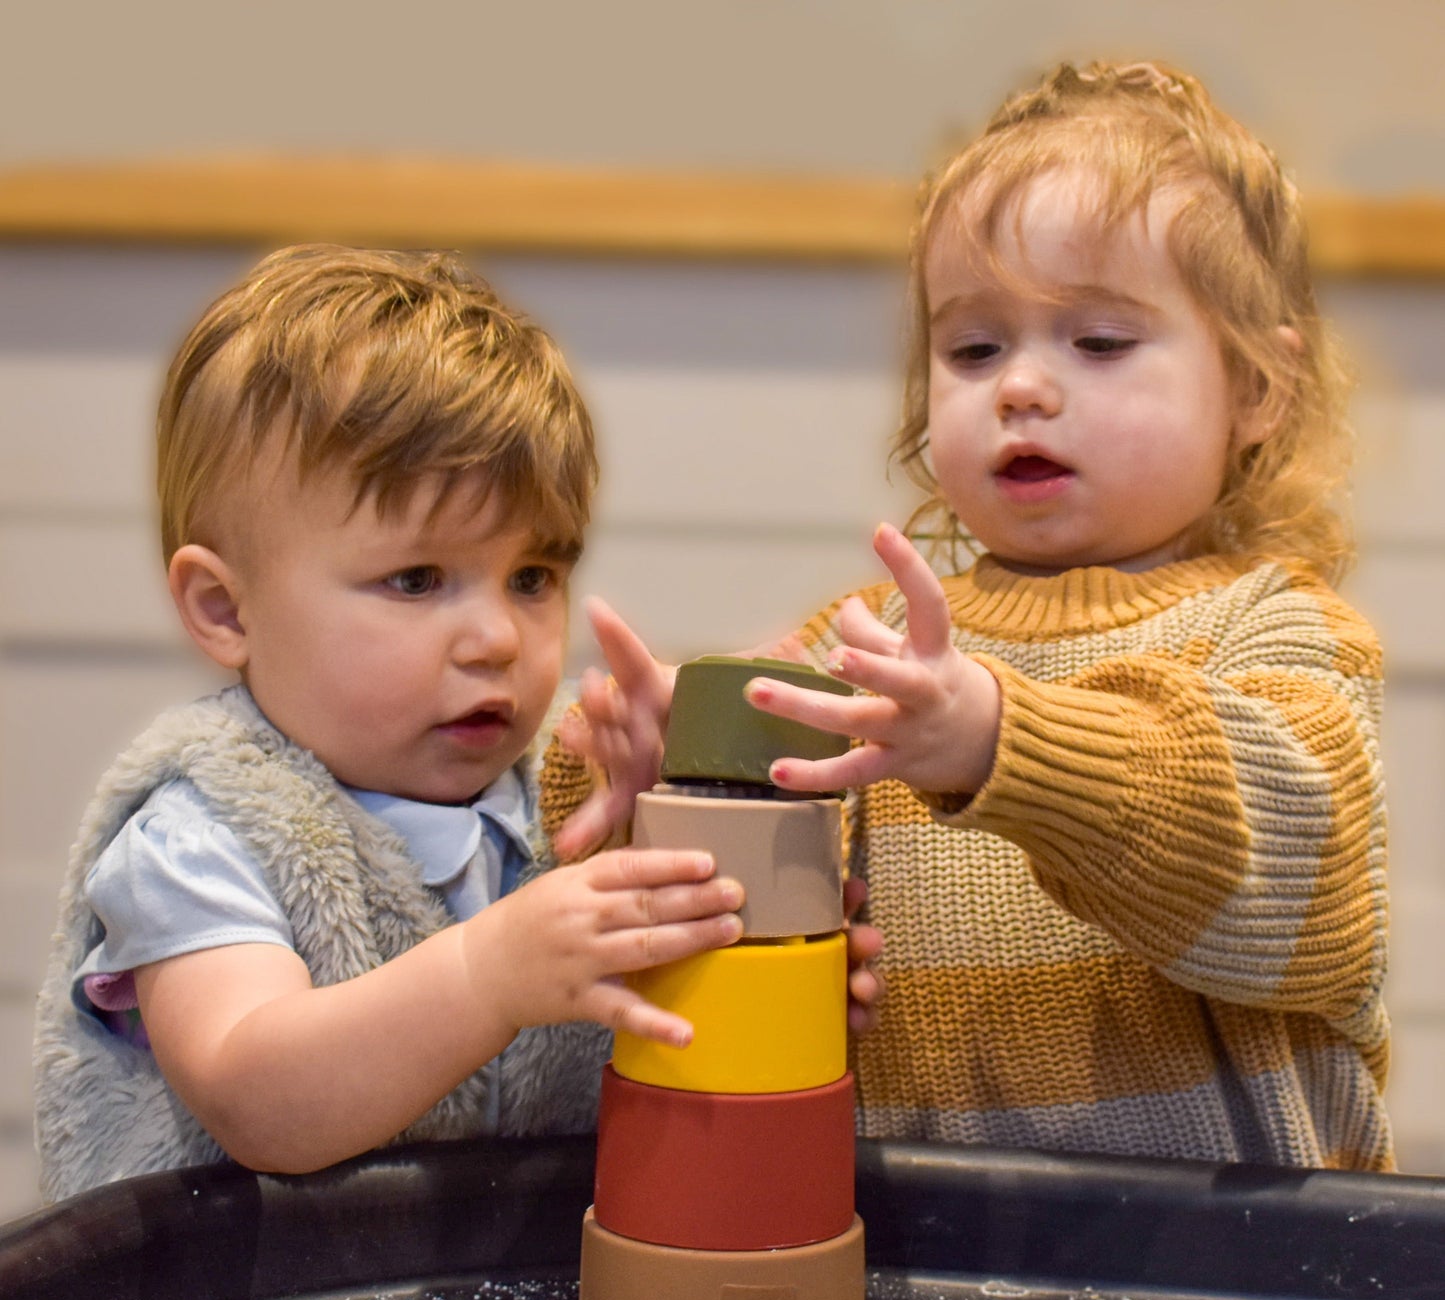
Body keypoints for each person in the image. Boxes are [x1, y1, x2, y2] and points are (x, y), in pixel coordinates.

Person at [553, 61, 1393, 1171]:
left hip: (1233, 1268)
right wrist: (665, 782)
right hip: (918, 1248)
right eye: (973, 348)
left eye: (1097, 341)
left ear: (1254, 389)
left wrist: (1002, 739)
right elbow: (713, 925)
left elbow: (1291, 871)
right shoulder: (864, 650)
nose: (1021, 388)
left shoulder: (1280, 631)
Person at [32, 245, 751, 1203]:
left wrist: (697, 827)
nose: (498, 637)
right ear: (224, 609)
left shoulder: (570, 799)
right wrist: (489, 974)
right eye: (416, 580)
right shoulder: (202, 838)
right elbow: (258, 1096)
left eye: (532, 577)